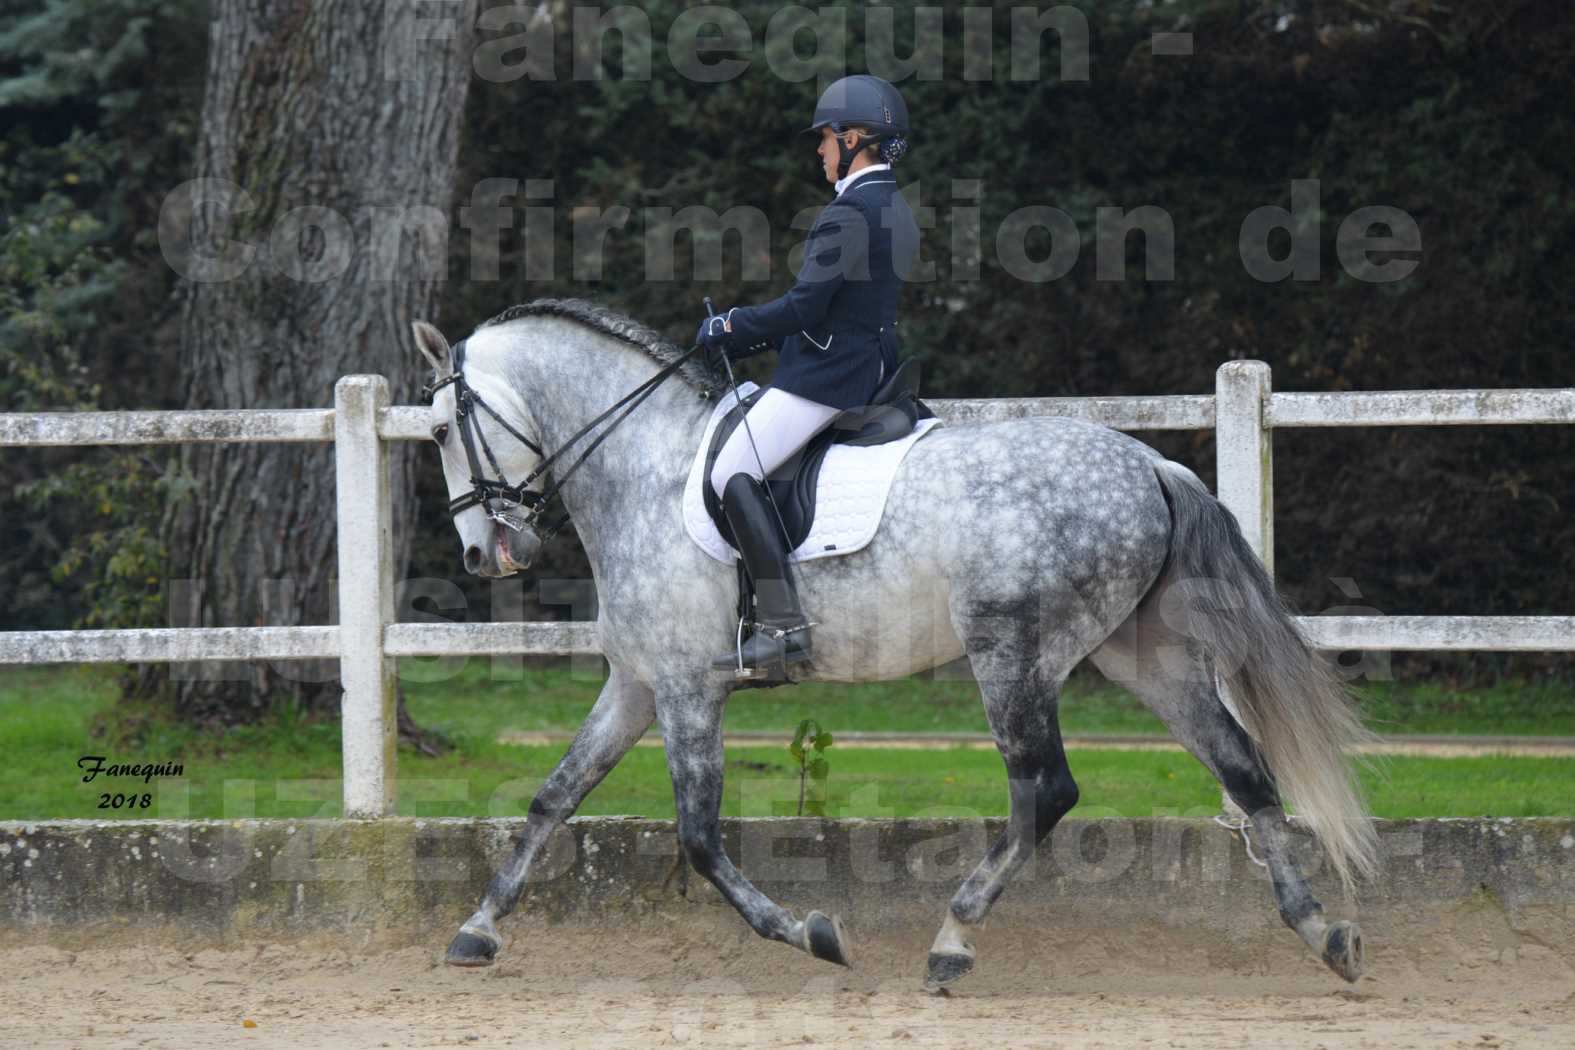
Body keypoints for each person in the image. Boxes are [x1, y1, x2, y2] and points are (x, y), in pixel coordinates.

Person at [696, 73, 920, 674]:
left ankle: (783, 624)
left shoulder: (849, 212)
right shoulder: (893, 206)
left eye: (824, 139)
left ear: (853, 139)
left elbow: (804, 309)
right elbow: (836, 307)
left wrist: (729, 328)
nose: (819, 152)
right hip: (870, 363)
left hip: (830, 375)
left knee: (730, 470)